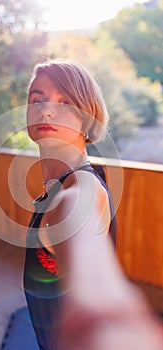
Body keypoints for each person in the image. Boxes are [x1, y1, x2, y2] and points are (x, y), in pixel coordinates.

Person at [22, 58, 163, 350]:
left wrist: (103, 310)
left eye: (65, 103)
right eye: (38, 100)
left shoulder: (82, 187)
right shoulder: (66, 180)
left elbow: (79, 226)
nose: (46, 109)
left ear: (87, 118)